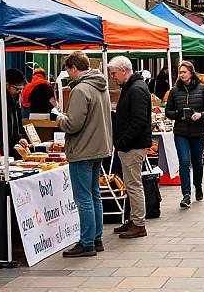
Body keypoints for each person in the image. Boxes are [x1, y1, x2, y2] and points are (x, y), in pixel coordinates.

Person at [57, 52, 112, 258]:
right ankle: (96, 238)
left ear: (73, 68)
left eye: (68, 70)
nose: (68, 75)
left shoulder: (80, 89)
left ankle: (87, 242)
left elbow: (73, 124)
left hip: (82, 149)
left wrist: (61, 119)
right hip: (99, 147)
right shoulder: (101, 86)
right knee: (94, 194)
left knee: (84, 197)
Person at [108, 56, 152, 239]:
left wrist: (123, 142)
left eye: (114, 73)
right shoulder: (133, 87)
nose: (112, 77)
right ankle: (133, 220)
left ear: (124, 71)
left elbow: (139, 120)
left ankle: (139, 224)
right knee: (131, 184)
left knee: (133, 185)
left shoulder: (136, 89)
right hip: (131, 145)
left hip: (133, 146)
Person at [165, 61, 204, 208]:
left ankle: (198, 185)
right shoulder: (174, 91)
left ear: (191, 72)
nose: (182, 75)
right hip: (181, 132)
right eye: (180, 72)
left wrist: (201, 115)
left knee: (197, 162)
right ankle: (186, 194)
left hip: (198, 132)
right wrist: (178, 114)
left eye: (184, 72)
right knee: (184, 162)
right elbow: (168, 112)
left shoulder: (203, 89)